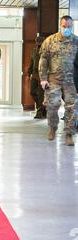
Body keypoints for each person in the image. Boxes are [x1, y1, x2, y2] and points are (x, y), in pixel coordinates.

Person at [39, 15, 78, 146]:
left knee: (72, 107)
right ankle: (52, 128)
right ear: (60, 25)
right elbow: (43, 61)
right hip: (53, 79)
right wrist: (43, 79)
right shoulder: (50, 41)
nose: (66, 29)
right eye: (64, 26)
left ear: (71, 26)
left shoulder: (76, 41)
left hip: (71, 80)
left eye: (68, 27)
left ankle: (69, 133)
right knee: (52, 104)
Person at [28, 36, 46, 119]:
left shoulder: (46, 51)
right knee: (32, 92)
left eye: (40, 43)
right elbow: (31, 62)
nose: (39, 45)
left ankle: (40, 113)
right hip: (35, 75)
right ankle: (43, 108)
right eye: (37, 43)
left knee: (41, 95)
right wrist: (29, 74)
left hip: (43, 75)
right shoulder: (34, 50)